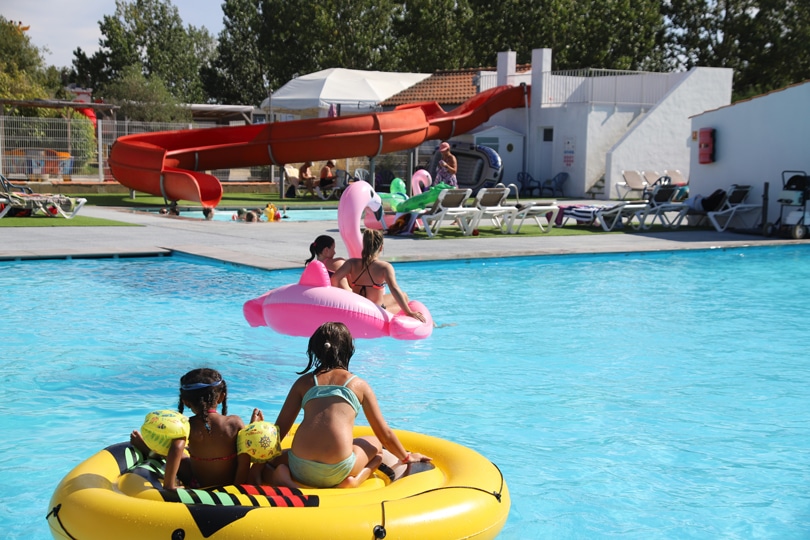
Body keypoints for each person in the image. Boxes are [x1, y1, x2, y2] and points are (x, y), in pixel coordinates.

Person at [268, 322, 431, 489]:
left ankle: (284, 477)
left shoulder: (303, 383)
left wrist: (263, 461)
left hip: (300, 468)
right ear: (348, 350)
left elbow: (279, 429)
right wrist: (406, 457)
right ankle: (355, 480)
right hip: (340, 469)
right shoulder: (358, 385)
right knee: (376, 446)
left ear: (315, 349)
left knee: (280, 460)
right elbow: (384, 434)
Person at [130, 368, 249, 489]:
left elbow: (177, 448)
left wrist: (169, 486)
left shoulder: (188, 425)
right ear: (221, 397)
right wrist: (237, 489)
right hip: (231, 486)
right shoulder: (235, 423)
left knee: (172, 452)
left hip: (198, 484)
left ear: (186, 402)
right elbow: (245, 461)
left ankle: (148, 450)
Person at [332, 229, 426, 322]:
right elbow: (394, 289)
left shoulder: (351, 263)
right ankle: (431, 324)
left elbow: (334, 279)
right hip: (376, 312)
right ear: (381, 247)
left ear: (364, 245)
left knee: (404, 296)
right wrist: (409, 312)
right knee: (404, 298)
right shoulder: (385, 267)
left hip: (357, 307)